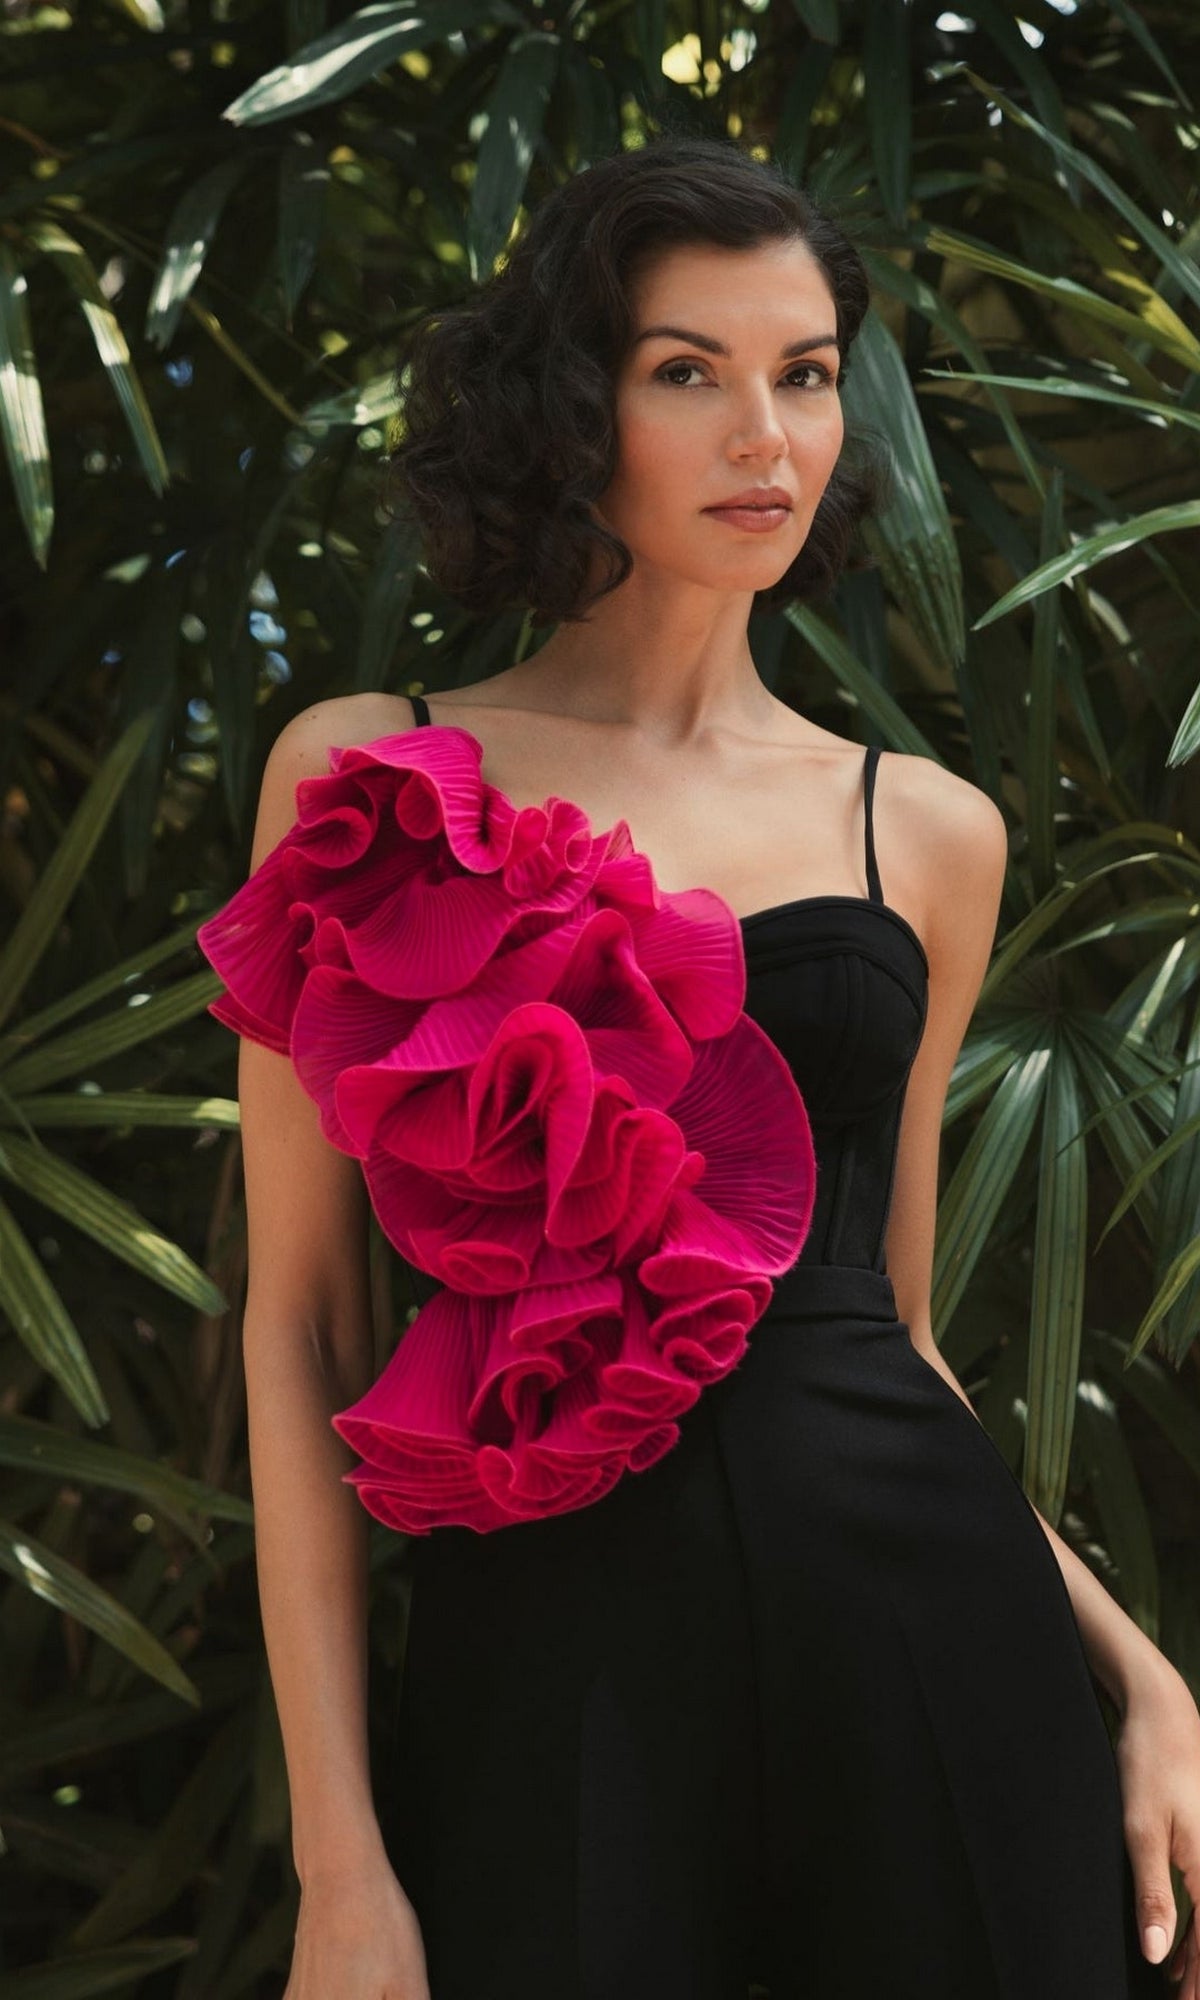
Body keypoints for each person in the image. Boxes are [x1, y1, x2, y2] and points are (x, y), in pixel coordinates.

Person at [199, 135, 1199, 1999]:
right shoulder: (368, 777)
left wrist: (1146, 1678)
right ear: (573, 407)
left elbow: (890, 1331)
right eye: (689, 372)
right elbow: (305, 1328)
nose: (767, 438)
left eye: (806, 375)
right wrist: (343, 1868)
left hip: (926, 1643)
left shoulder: (927, 830)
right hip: (554, 1659)